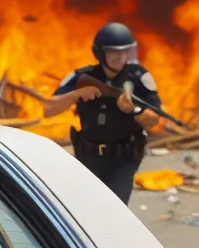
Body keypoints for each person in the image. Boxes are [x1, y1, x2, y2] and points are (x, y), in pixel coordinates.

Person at [44, 22, 161, 203]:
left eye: (125, 51)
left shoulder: (139, 78)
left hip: (123, 159)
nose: (121, 57)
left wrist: (133, 110)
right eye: (115, 52)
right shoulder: (82, 76)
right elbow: (48, 109)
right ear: (100, 52)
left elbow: (153, 119)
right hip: (87, 158)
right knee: (85, 211)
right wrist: (76, 94)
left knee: (115, 210)